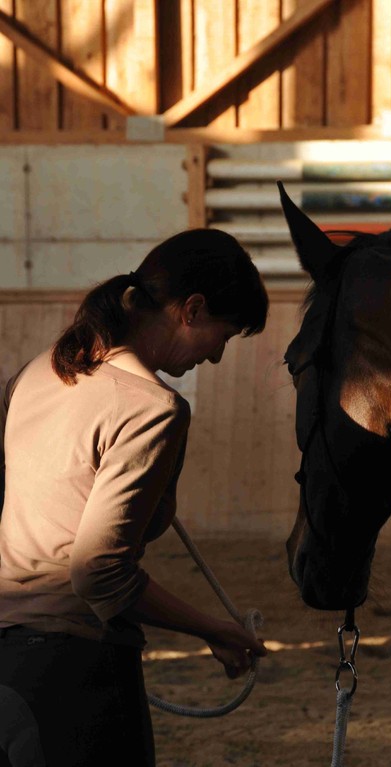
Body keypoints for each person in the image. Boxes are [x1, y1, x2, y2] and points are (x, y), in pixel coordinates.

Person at [0, 228, 269, 767]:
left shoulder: (36, 372)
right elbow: (98, 573)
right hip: (74, 669)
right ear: (191, 309)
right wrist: (213, 629)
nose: (216, 357)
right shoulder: (154, 409)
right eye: (224, 334)